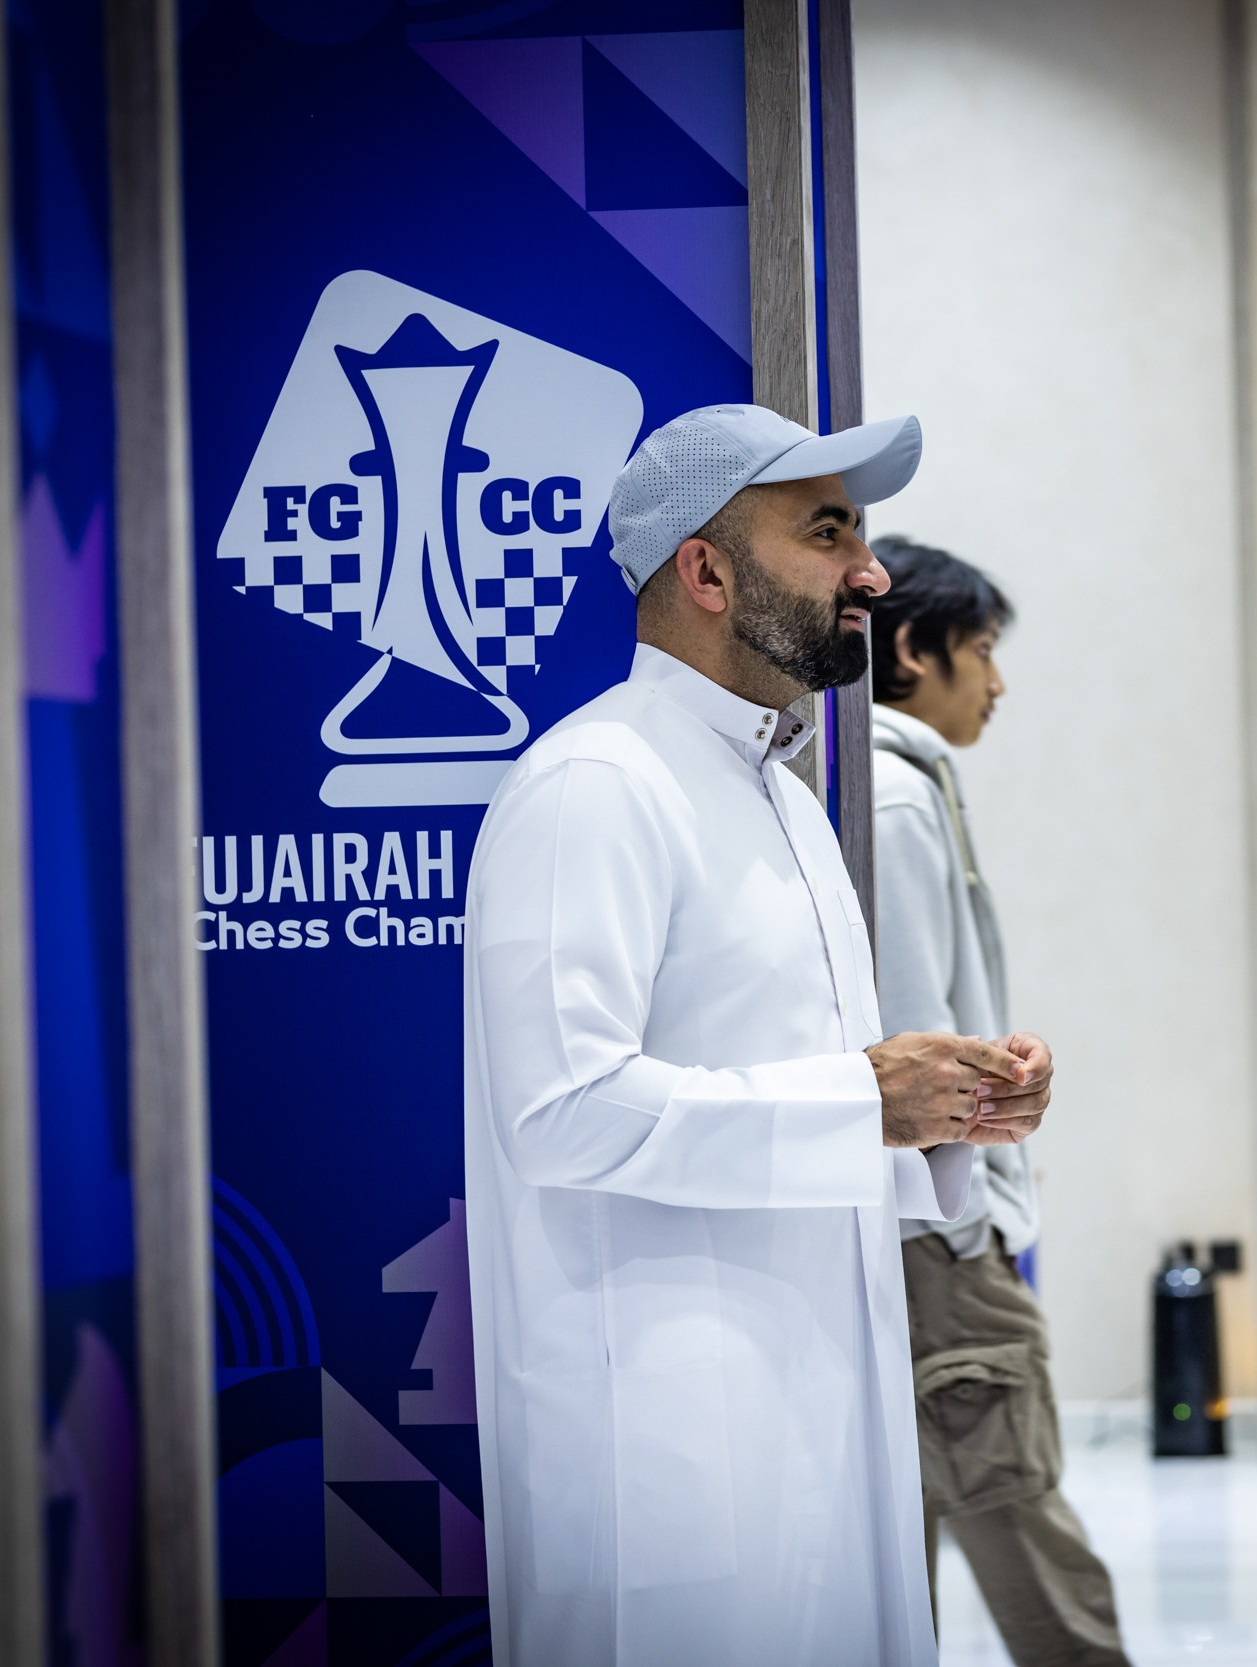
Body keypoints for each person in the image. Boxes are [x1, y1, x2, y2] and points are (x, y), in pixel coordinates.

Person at [462, 405, 1057, 1666]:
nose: (871, 572)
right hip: (670, 1464)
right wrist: (868, 1101)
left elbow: (815, 1098)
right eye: (828, 529)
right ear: (706, 569)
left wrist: (951, 1111)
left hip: (820, 1416)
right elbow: (563, 1110)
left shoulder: (777, 796)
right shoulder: (596, 785)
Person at [867, 536, 1131, 1667]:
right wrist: (974, 1232)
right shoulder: (892, 795)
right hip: (937, 1240)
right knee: (1034, 1543)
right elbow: (913, 1037)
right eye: (980, 649)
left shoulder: (875, 780)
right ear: (915, 649)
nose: (997, 680)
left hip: (909, 1230)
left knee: (902, 1548)